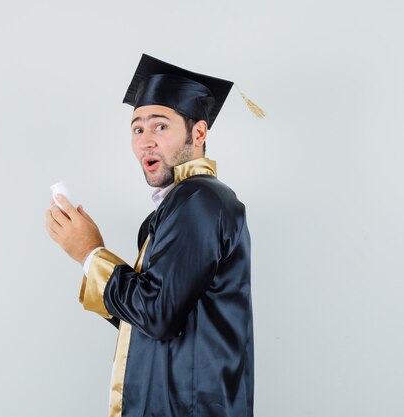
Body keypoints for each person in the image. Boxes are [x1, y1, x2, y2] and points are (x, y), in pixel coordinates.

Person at [45, 54, 254, 417]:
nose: (145, 142)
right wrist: (90, 258)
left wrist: (91, 254)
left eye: (159, 127)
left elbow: (157, 315)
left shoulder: (200, 200)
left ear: (199, 133)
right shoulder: (176, 207)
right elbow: (149, 317)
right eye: (137, 129)